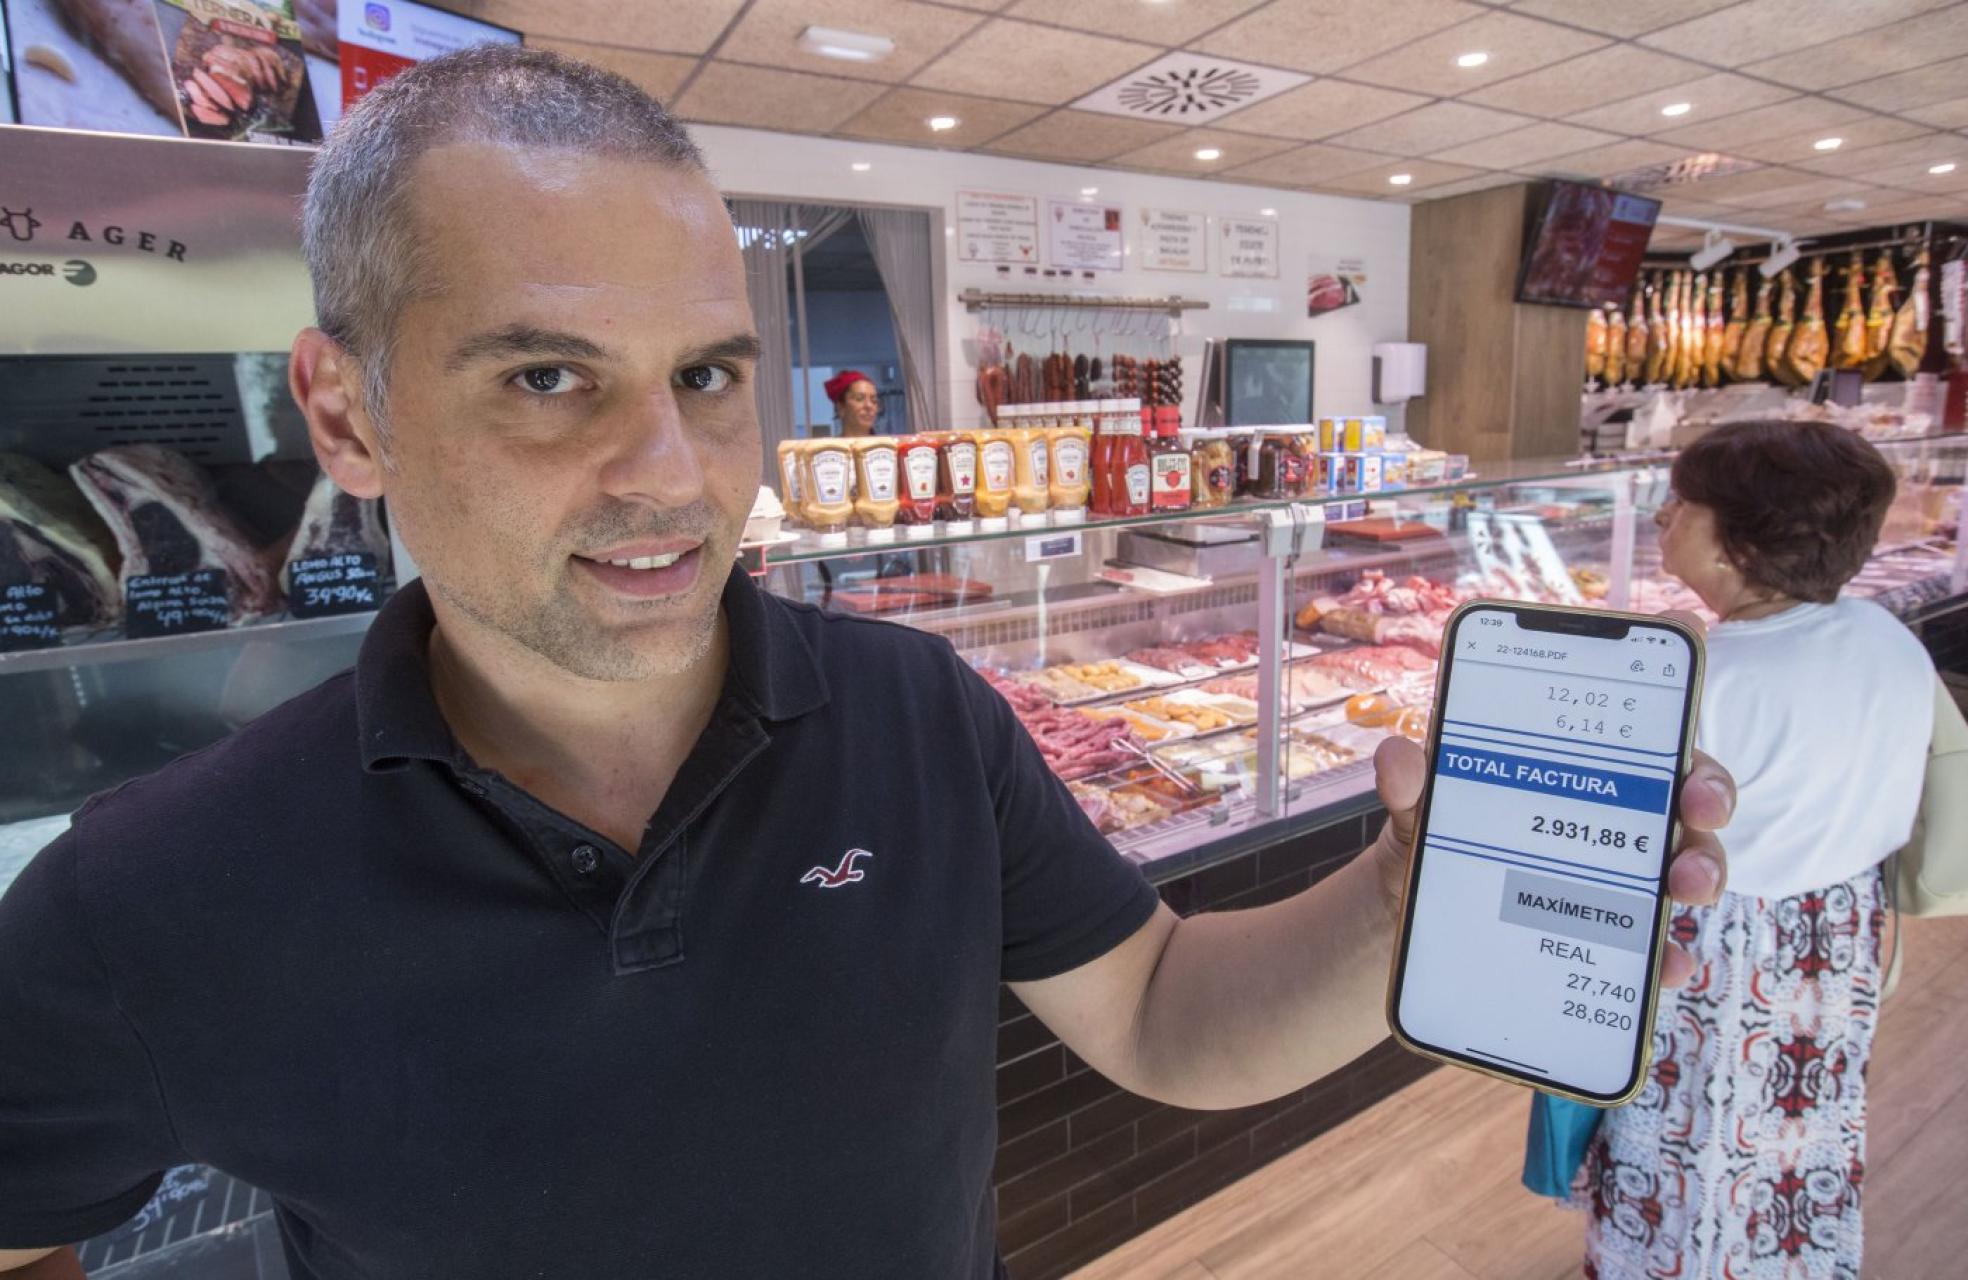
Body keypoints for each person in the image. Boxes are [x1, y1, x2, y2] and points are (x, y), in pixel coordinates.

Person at [0, 47, 1735, 1280]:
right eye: (545, 378)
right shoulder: (150, 894)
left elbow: (1153, 1012)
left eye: (704, 372)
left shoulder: (916, 714)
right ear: (342, 410)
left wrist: (1396, 895)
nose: (672, 475)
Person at [1572, 420, 1935, 1280]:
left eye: (1684, 503)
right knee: (1797, 1130)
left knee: (1688, 1138)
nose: (1662, 516)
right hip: (1837, 934)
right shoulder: (1885, 634)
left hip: (1718, 949)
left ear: (1739, 543)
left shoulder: (1705, 676)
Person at [824, 368, 880, 436]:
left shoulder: (889, 445)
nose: (869, 406)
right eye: (859, 399)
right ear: (841, 407)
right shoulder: (830, 446)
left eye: (874, 401)